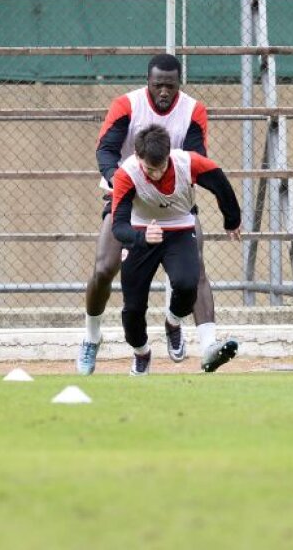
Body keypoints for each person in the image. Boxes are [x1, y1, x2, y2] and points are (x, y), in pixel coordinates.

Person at [77, 53, 239, 375]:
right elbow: (106, 149)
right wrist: (124, 181)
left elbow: (198, 159)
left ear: (179, 83)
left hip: (176, 203)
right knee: (104, 267)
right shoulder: (127, 105)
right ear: (147, 83)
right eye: (157, 85)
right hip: (130, 200)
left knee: (195, 273)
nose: (163, 92)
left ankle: (202, 341)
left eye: (170, 86)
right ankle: (91, 337)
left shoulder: (193, 111)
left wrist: (230, 216)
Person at [110, 125, 242, 375]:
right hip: (142, 232)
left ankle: (173, 322)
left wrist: (232, 219)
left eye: (160, 168)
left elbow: (220, 182)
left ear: (169, 155)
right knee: (133, 309)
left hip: (180, 228)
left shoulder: (187, 163)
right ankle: (141, 353)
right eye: (150, 169)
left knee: (187, 283)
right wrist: (140, 236)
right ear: (138, 158)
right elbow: (118, 226)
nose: (156, 174)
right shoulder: (126, 174)